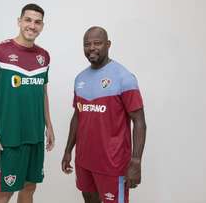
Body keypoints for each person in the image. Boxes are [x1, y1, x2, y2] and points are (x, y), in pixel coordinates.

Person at [0, 3, 55, 203]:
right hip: (8, 139)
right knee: (4, 193)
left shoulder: (44, 56)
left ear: (42, 26)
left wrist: (49, 125)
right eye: (28, 20)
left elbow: (43, 93)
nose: (32, 26)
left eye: (37, 22)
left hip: (35, 136)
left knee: (29, 188)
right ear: (19, 21)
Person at [61, 26, 146, 203]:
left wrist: (136, 160)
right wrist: (68, 150)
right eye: (87, 44)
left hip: (113, 164)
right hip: (84, 161)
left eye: (97, 43)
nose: (91, 48)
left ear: (108, 45)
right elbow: (77, 116)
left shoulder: (124, 77)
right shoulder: (80, 79)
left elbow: (139, 121)